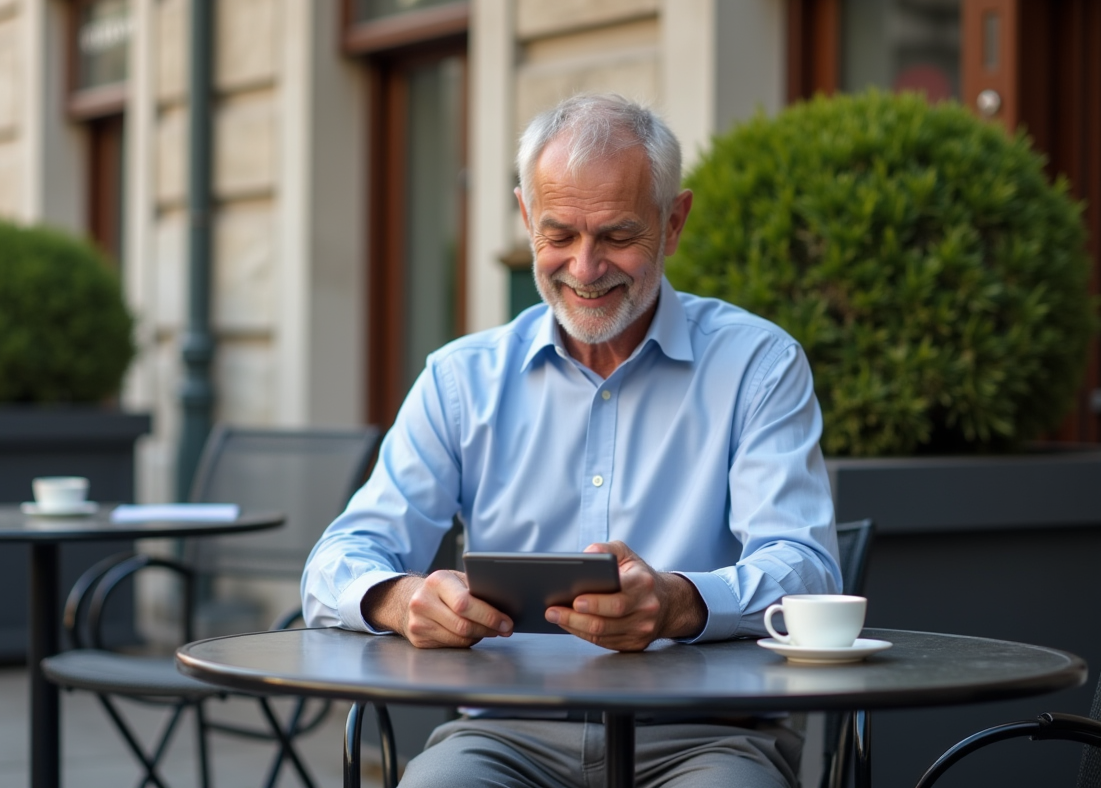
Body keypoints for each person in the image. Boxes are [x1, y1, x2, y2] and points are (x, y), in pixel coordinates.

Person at [302, 93, 841, 788]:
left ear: (673, 223)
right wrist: (401, 601)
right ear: (527, 217)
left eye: (617, 236)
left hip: (706, 738)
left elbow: (806, 569)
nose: (585, 268)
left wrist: (682, 601)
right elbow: (336, 563)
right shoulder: (460, 379)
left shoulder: (757, 366)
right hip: (502, 734)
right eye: (559, 235)